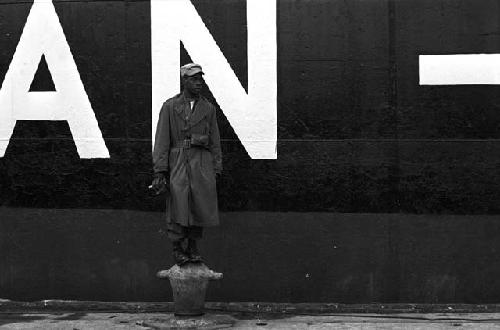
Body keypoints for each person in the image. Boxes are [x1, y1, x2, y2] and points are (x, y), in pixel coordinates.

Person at [152, 63, 222, 266]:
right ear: (185, 80)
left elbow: (215, 140)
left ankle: (192, 247)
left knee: (199, 205)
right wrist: (159, 170)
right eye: (194, 79)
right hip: (178, 161)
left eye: (201, 78)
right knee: (177, 204)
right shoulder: (170, 106)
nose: (199, 82)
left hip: (202, 162)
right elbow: (162, 140)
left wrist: (216, 167)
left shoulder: (208, 108)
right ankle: (177, 248)